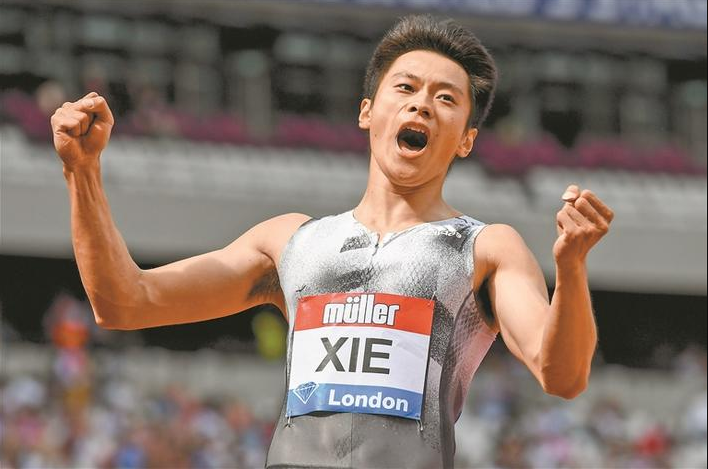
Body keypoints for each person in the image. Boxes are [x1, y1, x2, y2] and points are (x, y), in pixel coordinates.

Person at [50, 14, 613, 469]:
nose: (421, 103)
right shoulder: (290, 242)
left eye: (446, 98)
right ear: (367, 112)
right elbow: (125, 302)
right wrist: (82, 173)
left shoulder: (485, 248)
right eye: (406, 87)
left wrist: (571, 268)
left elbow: (562, 375)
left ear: (467, 139)